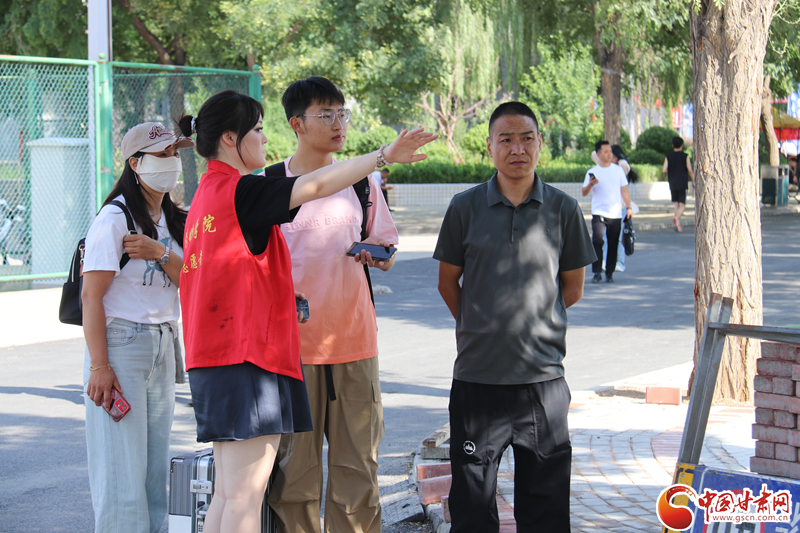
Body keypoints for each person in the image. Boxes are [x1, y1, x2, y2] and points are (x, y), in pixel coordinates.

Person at [177, 89, 435, 533]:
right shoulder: (243, 191)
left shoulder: (206, 195)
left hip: (216, 361)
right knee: (245, 496)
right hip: (247, 362)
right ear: (230, 138)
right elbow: (314, 185)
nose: (264, 138)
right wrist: (382, 156)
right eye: (258, 130)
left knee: (227, 494)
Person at [434, 101, 595, 533]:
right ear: (490, 147)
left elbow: (572, 288)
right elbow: (448, 283)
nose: (517, 149)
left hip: (542, 383)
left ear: (540, 143)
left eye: (526, 138)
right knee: (472, 506)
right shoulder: (464, 207)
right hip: (477, 382)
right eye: (506, 139)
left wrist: (533, 320)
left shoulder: (563, 209)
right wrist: (480, 324)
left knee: (546, 508)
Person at [262, 76, 397, 533]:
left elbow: (386, 248)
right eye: (326, 114)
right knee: (294, 475)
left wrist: (376, 255)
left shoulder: (362, 181)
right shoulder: (269, 185)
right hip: (291, 351)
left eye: (342, 113)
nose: (339, 123)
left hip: (355, 344)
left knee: (358, 468)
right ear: (296, 124)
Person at [82, 122, 192, 533]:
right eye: (162, 155)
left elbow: (192, 281)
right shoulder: (115, 218)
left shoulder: (172, 219)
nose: (172, 162)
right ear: (135, 163)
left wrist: (160, 252)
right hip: (122, 342)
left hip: (163, 340)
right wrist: (99, 366)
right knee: (122, 469)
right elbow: (91, 297)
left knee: (152, 468)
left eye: (174, 153)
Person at [582, 140, 633, 283]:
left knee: (613, 243)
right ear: (598, 154)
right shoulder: (592, 172)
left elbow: (624, 190)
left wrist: (628, 207)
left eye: (610, 152)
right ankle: (597, 272)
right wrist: (590, 184)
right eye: (606, 152)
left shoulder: (618, 170)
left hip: (615, 213)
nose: (609, 154)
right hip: (598, 212)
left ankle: (609, 273)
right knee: (597, 241)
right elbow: (584, 192)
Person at [591, 145, 638, 272]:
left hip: (620, 208)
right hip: (605, 209)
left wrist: (620, 158)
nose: (609, 157)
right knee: (605, 237)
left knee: (619, 237)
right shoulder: (604, 167)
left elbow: (625, 165)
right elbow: (594, 154)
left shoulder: (620, 169)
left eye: (612, 155)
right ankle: (606, 261)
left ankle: (620, 262)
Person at [662, 136, 694, 232]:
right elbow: (689, 170)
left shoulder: (669, 156)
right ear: (682, 145)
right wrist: (693, 180)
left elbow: (664, 170)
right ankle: (677, 217)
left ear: (672, 145)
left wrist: (672, 171)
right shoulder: (685, 156)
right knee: (682, 205)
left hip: (672, 182)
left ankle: (677, 225)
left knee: (676, 203)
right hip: (682, 182)